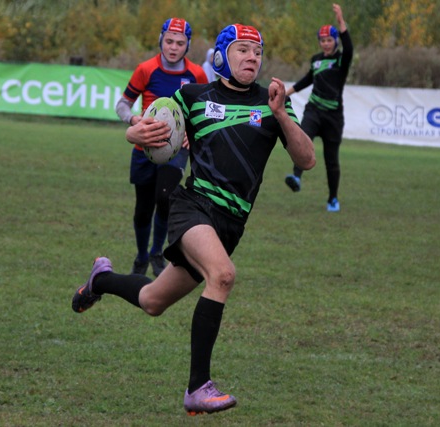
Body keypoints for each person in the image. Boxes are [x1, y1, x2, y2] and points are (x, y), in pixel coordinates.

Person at [72, 24, 315, 415]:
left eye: (257, 51)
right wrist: (137, 135)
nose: (252, 57)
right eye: (242, 49)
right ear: (221, 56)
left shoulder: (272, 103)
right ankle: (198, 387)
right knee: (223, 275)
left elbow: (307, 159)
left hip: (231, 224)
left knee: (152, 301)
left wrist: (281, 115)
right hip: (193, 207)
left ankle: (100, 279)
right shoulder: (193, 96)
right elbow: (142, 128)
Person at [115, 18, 208, 277]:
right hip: (144, 148)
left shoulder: (197, 75)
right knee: (143, 209)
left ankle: (157, 253)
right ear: (161, 40)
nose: (173, 47)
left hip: (176, 151)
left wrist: (192, 131)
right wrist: (135, 120)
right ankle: (141, 256)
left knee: (165, 198)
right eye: (169, 41)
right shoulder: (146, 69)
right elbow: (122, 104)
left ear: (188, 45)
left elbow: (204, 112)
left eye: (180, 43)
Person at [284, 3, 352, 212]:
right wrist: (286, 93)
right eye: (322, 40)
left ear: (335, 41)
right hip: (313, 110)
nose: (326, 43)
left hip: (333, 117)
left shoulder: (341, 60)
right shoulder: (316, 60)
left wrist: (341, 22)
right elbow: (307, 80)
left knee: (331, 160)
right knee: (302, 139)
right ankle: (296, 176)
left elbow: (349, 48)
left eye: (329, 40)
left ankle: (333, 198)